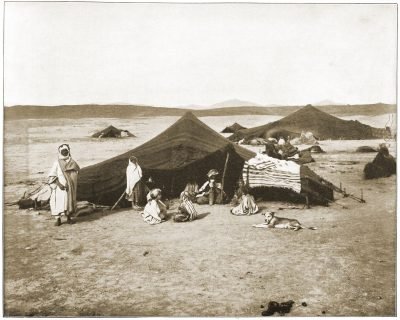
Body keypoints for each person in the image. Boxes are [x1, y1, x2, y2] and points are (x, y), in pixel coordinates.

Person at [48, 144, 80, 226]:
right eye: (63, 151)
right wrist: (59, 184)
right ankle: (58, 219)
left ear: (68, 151)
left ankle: (69, 218)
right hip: (60, 187)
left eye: (66, 150)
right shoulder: (57, 163)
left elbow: (77, 172)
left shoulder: (72, 162)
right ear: (60, 152)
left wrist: (71, 181)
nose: (65, 152)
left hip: (69, 187)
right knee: (58, 202)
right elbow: (53, 175)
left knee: (68, 202)